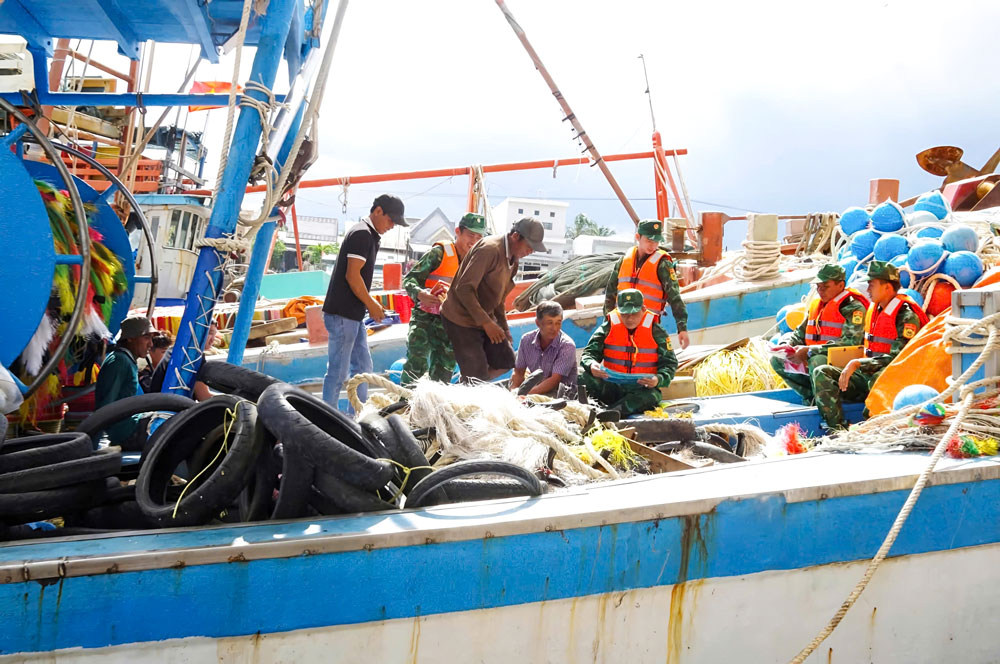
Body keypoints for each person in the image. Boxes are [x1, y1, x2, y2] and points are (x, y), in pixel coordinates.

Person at [812, 261, 930, 430]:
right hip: (868, 372)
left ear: (888, 288)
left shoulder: (906, 316)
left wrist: (858, 363)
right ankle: (836, 429)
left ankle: (872, 427)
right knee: (822, 372)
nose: (867, 290)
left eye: (871, 285)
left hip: (892, 375)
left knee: (879, 377)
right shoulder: (875, 310)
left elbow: (897, 359)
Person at [322, 194, 408, 410]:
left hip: (352, 315)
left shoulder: (366, 233)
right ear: (378, 211)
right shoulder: (362, 234)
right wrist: (371, 304)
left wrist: (367, 306)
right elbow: (353, 275)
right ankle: (325, 418)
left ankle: (355, 417)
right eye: (391, 220)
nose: (392, 226)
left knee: (362, 367)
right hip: (343, 314)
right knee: (338, 372)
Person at [441, 217, 545, 382]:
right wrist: (487, 324)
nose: (531, 251)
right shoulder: (489, 249)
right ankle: (471, 383)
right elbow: (464, 289)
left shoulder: (513, 260)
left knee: (508, 360)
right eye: (529, 246)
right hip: (461, 319)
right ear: (516, 236)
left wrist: (503, 328)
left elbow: (498, 299)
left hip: (484, 319)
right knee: (477, 375)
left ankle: (467, 384)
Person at [401, 212, 487, 385]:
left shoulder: (478, 262)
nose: (474, 240)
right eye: (471, 234)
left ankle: (434, 410)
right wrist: (421, 294)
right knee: (416, 365)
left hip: (451, 325)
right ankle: (404, 405)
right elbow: (410, 279)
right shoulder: (439, 253)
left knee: (444, 372)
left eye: (479, 237)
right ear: (458, 231)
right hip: (424, 320)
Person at [769, 264, 870, 404]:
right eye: (818, 286)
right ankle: (811, 397)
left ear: (840, 285)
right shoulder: (817, 305)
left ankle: (831, 403)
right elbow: (800, 332)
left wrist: (809, 351)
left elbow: (850, 343)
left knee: (817, 362)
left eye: (825, 286)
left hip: (841, 362)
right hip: (813, 355)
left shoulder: (853, 308)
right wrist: (786, 346)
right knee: (777, 361)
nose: (820, 291)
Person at [580, 289, 678, 417]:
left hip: (640, 389)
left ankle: (612, 413)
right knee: (580, 376)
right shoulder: (608, 327)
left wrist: (658, 379)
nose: (629, 318)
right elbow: (588, 354)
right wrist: (591, 365)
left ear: (643, 309)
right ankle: (581, 410)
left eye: (634, 313)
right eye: (625, 314)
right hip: (611, 385)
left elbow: (670, 363)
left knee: (651, 396)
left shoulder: (657, 331)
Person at [604, 219, 690, 349]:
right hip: (621, 323)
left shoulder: (662, 264)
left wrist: (682, 328)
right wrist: (608, 323)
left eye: (656, 241)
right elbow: (610, 294)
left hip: (647, 326)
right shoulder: (624, 260)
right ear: (638, 237)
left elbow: (675, 297)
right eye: (649, 240)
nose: (653, 245)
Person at [95, 316, 156, 450]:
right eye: (146, 338)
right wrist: (92, 447)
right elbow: (104, 406)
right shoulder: (119, 361)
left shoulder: (128, 360)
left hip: (133, 426)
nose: (151, 344)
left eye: (152, 338)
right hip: (127, 433)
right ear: (130, 338)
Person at [509, 300, 578, 396]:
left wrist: (524, 394)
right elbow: (519, 372)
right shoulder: (526, 340)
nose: (554, 328)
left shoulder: (567, 345)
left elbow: (554, 380)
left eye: (558, 323)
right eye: (550, 323)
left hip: (561, 393)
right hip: (534, 390)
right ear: (538, 323)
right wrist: (514, 391)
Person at [148, 323, 218, 401]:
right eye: (210, 333)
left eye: (214, 334)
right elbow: (204, 397)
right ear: (198, 331)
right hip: (167, 408)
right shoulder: (193, 355)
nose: (213, 339)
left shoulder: (176, 351)